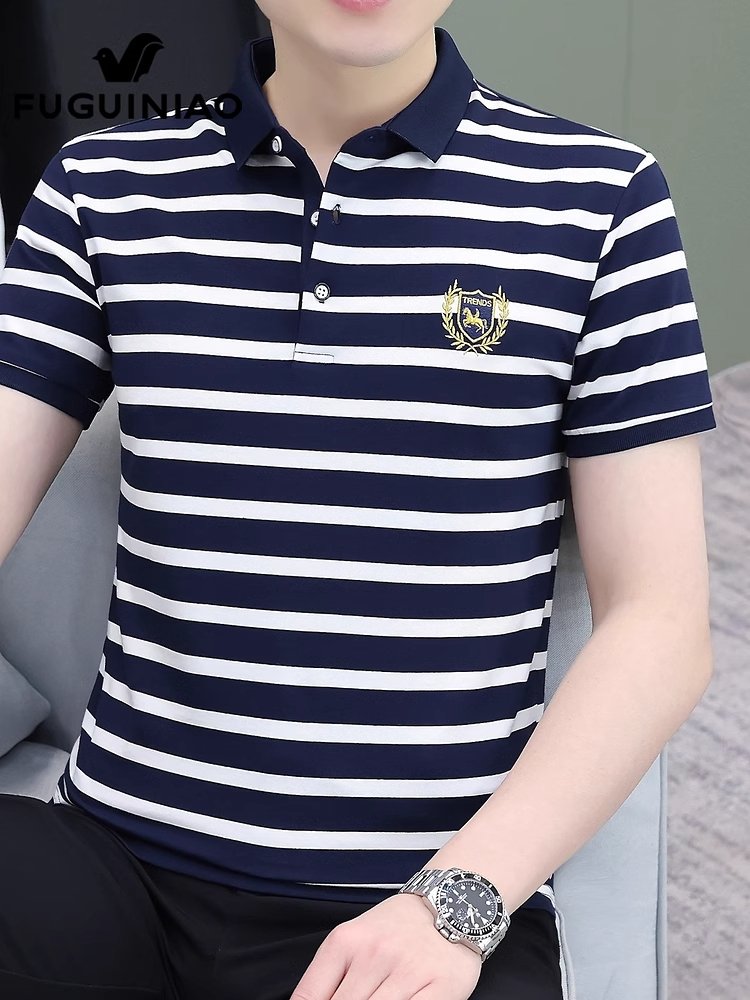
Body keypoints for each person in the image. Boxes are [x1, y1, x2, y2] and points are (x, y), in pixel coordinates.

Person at [0, 1, 716, 998]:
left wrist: (454, 904)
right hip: (111, 865)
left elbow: (663, 622)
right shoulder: (100, 185)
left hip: (419, 899)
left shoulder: (601, 198)